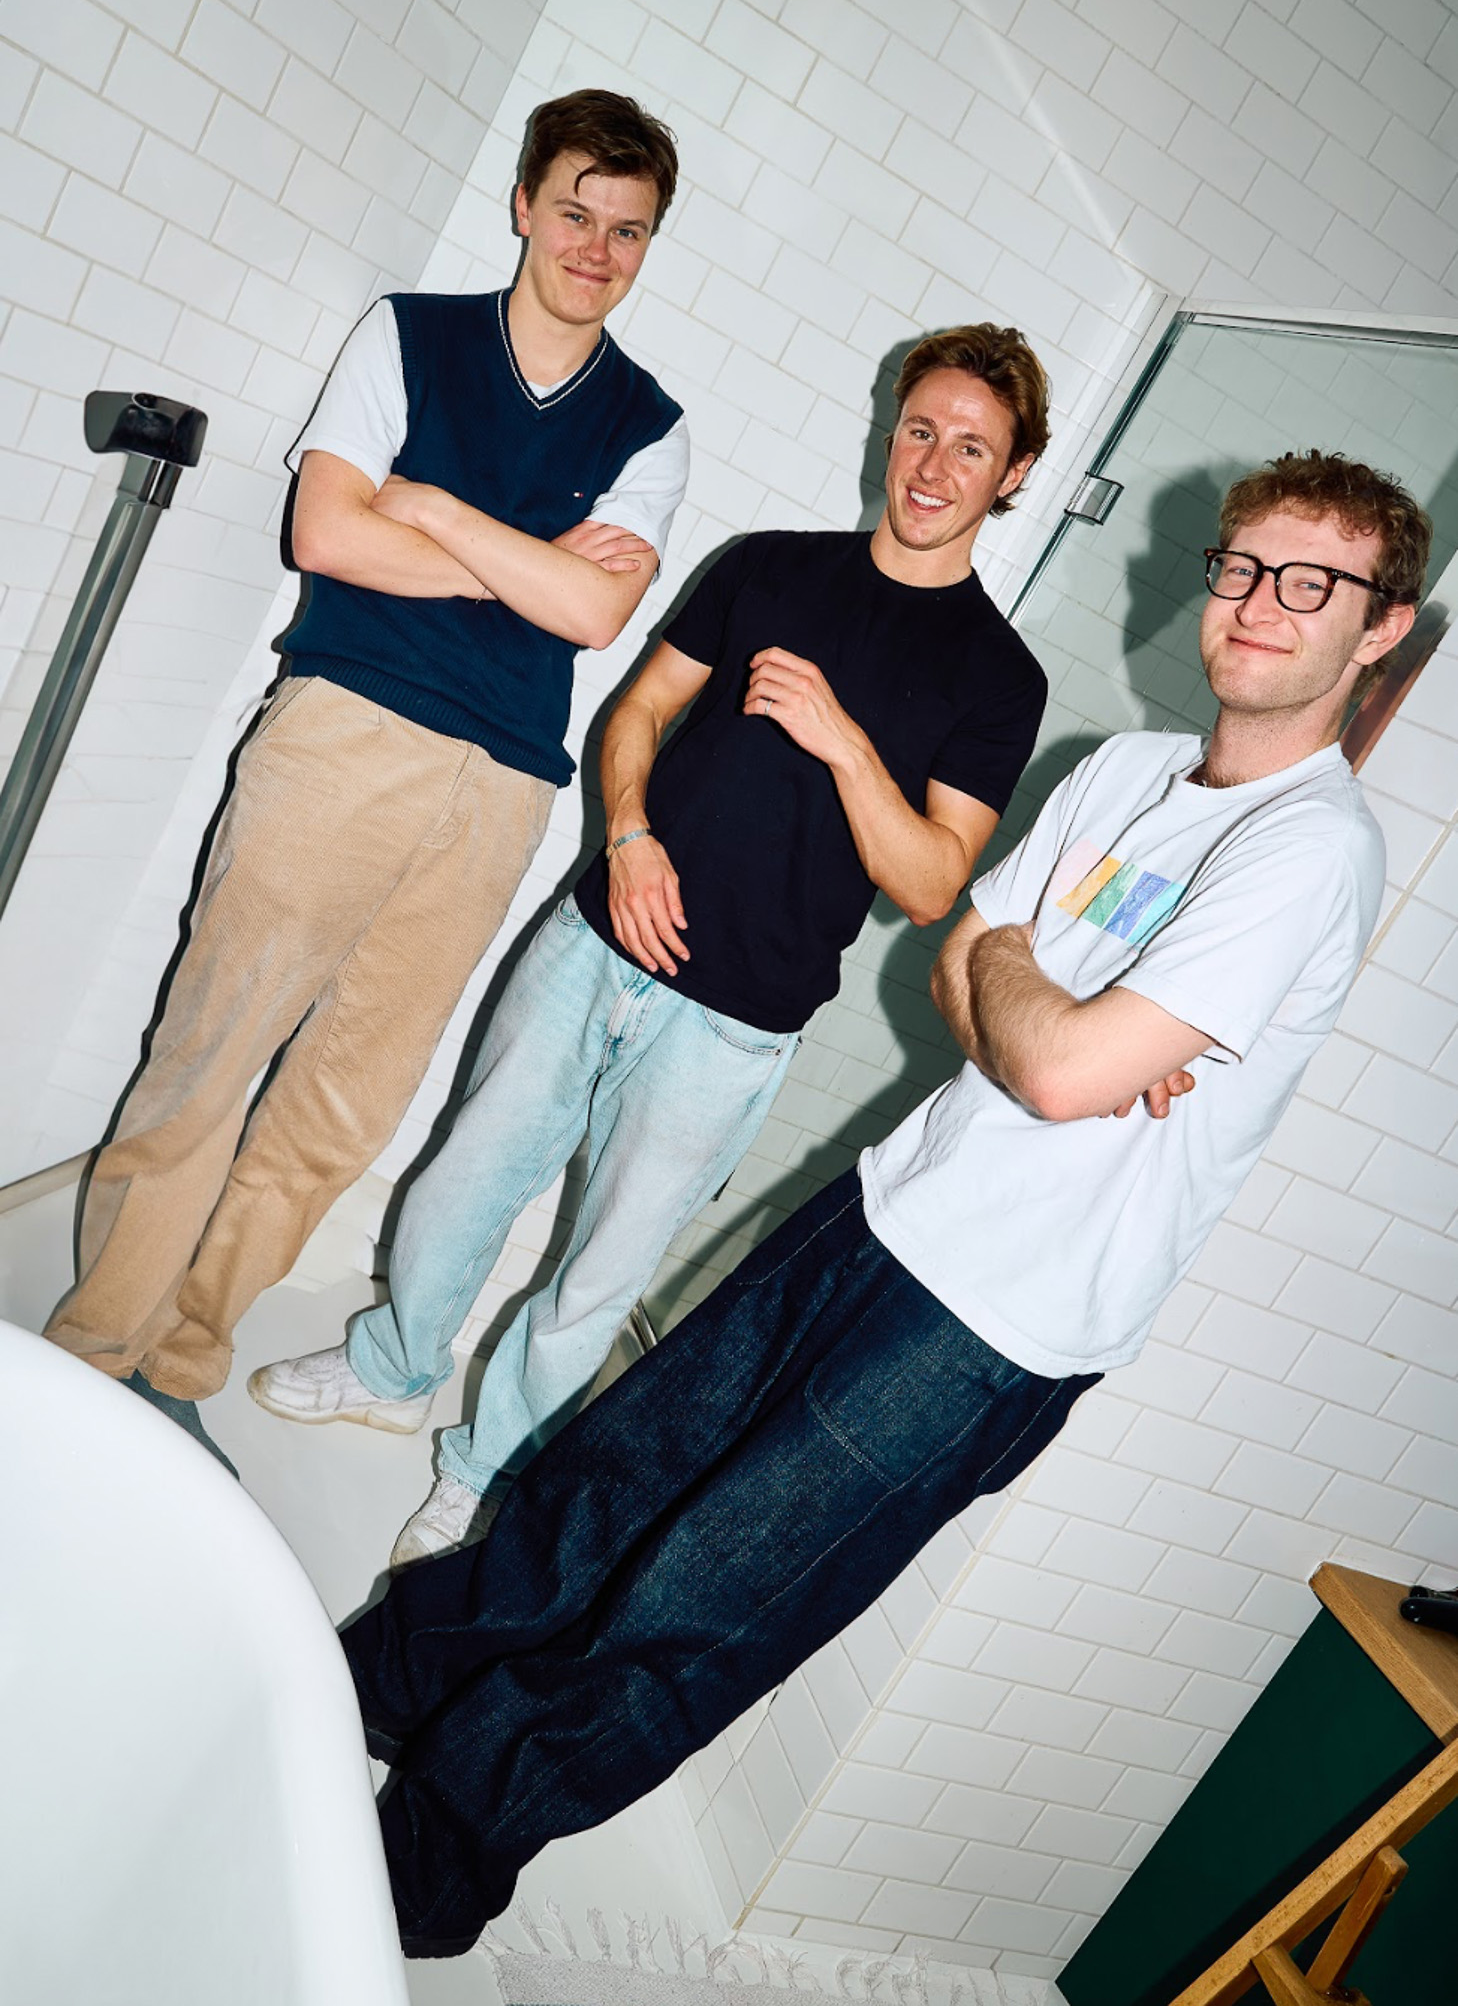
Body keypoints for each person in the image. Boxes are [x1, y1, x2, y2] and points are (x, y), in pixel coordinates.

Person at [338, 449, 1429, 1957]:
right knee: (612, 1471)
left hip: (994, 1323)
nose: (1258, 602)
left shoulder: (1311, 849)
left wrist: (1032, 996)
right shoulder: (1124, 771)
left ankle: (414, 1860)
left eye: (1312, 583)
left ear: (1380, 627)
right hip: (887, 1203)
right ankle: (374, 1684)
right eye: (1242, 565)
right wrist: (1046, 1006)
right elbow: (957, 971)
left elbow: (1045, 1056)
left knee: (697, 1605)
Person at [251, 323, 1054, 1566]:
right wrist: (626, 835)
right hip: (597, 939)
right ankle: (393, 1366)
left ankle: (479, 1475)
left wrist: (842, 739)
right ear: (890, 432)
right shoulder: (768, 565)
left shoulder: (999, 675)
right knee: (465, 1175)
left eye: (971, 447)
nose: (933, 465)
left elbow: (931, 879)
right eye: (919, 430)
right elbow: (640, 710)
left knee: (598, 1274)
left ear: (1014, 473)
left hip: (741, 1017)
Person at [44, 90, 687, 1418]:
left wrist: (437, 509)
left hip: (501, 788)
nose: (595, 248)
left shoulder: (649, 423)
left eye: (625, 230)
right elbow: (326, 536)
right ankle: (92, 1350)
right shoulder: (409, 337)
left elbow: (593, 614)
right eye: (574, 212)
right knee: (212, 1049)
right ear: (524, 206)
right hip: (345, 732)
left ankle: (182, 1359)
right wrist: (529, 568)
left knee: (347, 1104)